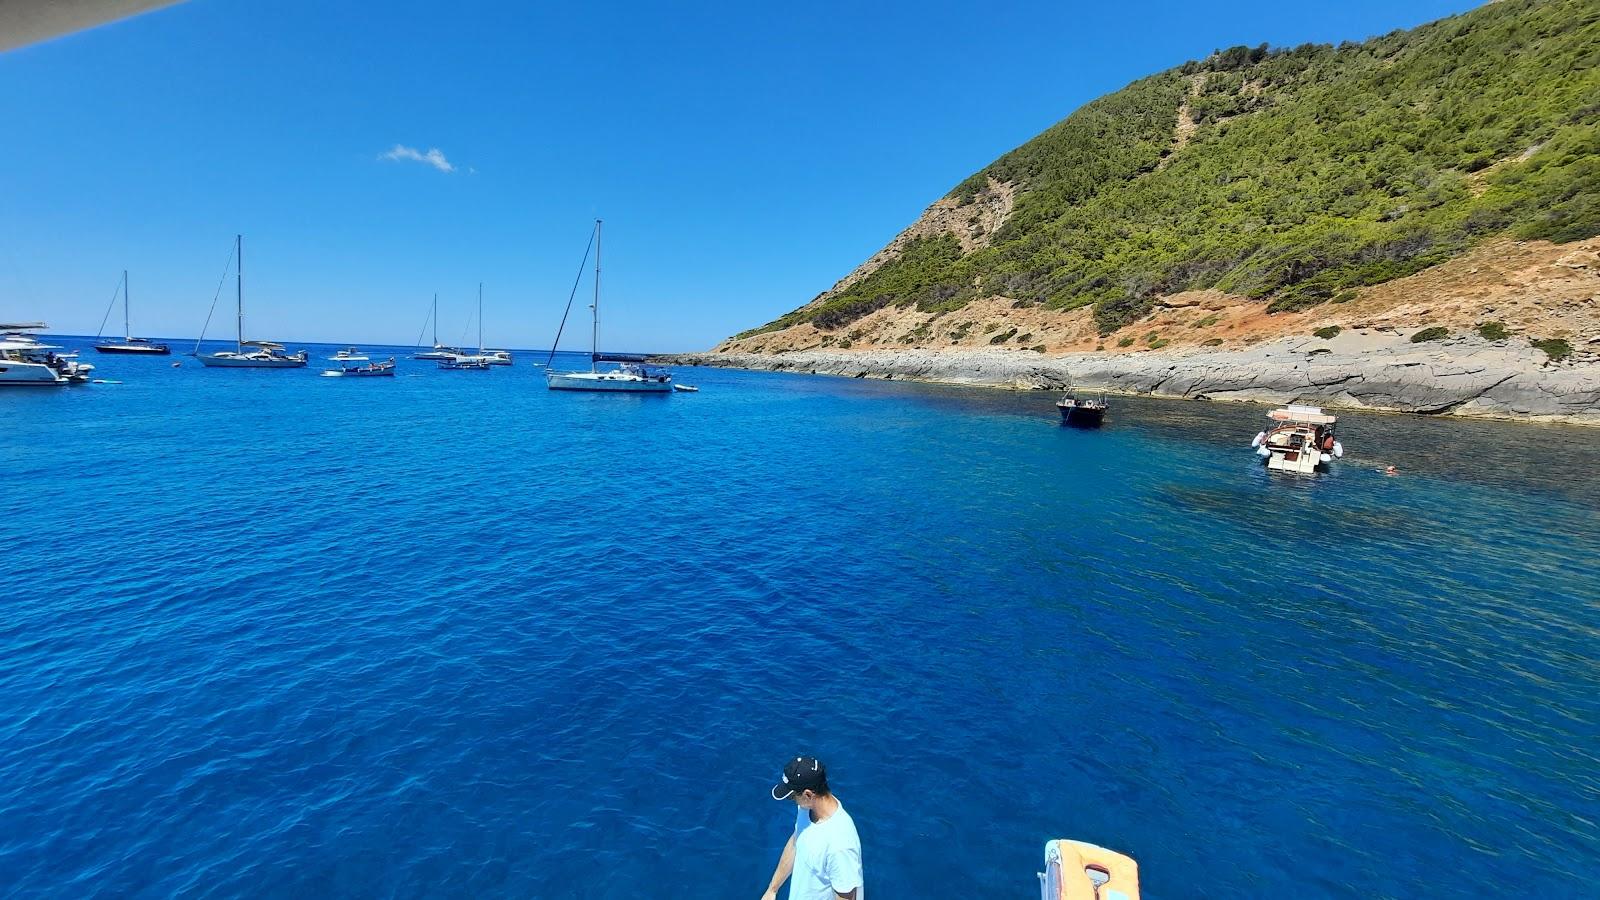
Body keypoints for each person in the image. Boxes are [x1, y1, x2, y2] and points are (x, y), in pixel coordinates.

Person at [761, 756, 863, 900]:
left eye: (792, 797)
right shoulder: (807, 808)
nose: (792, 801)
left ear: (808, 794)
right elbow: (797, 840)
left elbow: (846, 897)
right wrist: (772, 890)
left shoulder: (840, 844)